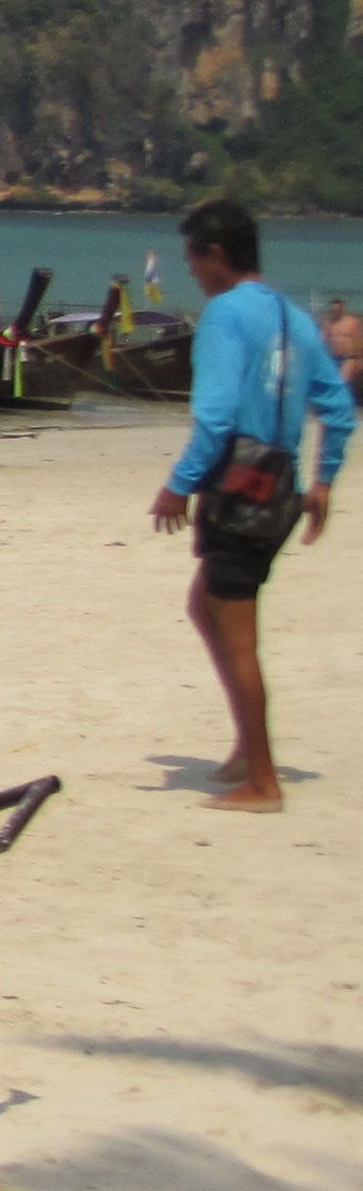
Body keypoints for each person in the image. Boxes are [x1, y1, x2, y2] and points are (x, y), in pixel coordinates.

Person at [146, 201, 351, 813]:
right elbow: (338, 410)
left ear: (214, 254)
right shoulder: (294, 317)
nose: (190, 271)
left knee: (237, 633)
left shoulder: (225, 314)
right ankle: (247, 747)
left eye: (192, 258)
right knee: (205, 605)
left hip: (239, 489)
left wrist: (178, 485)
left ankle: (263, 781)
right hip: (280, 487)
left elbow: (215, 418)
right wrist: (323, 482)